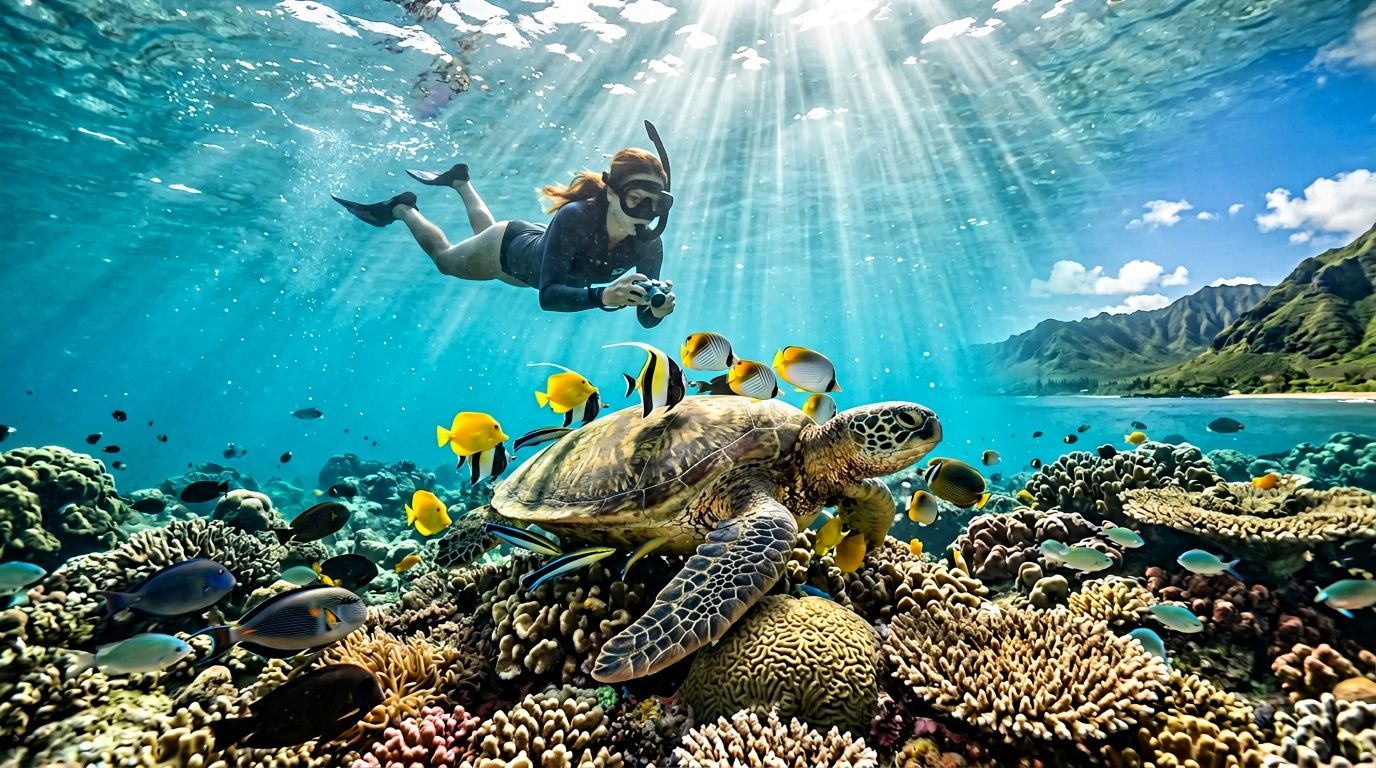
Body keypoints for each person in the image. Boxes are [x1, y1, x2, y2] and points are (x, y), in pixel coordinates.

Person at [332, 122, 677, 329]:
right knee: (445, 260)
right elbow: (549, 295)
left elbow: (646, 319)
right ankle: (402, 209)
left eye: (657, 202)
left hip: (531, 254)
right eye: (636, 198)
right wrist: (603, 295)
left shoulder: (649, 244)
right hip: (506, 251)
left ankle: (460, 182)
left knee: (481, 236)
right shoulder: (575, 216)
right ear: (612, 192)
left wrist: (657, 310)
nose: (647, 212)